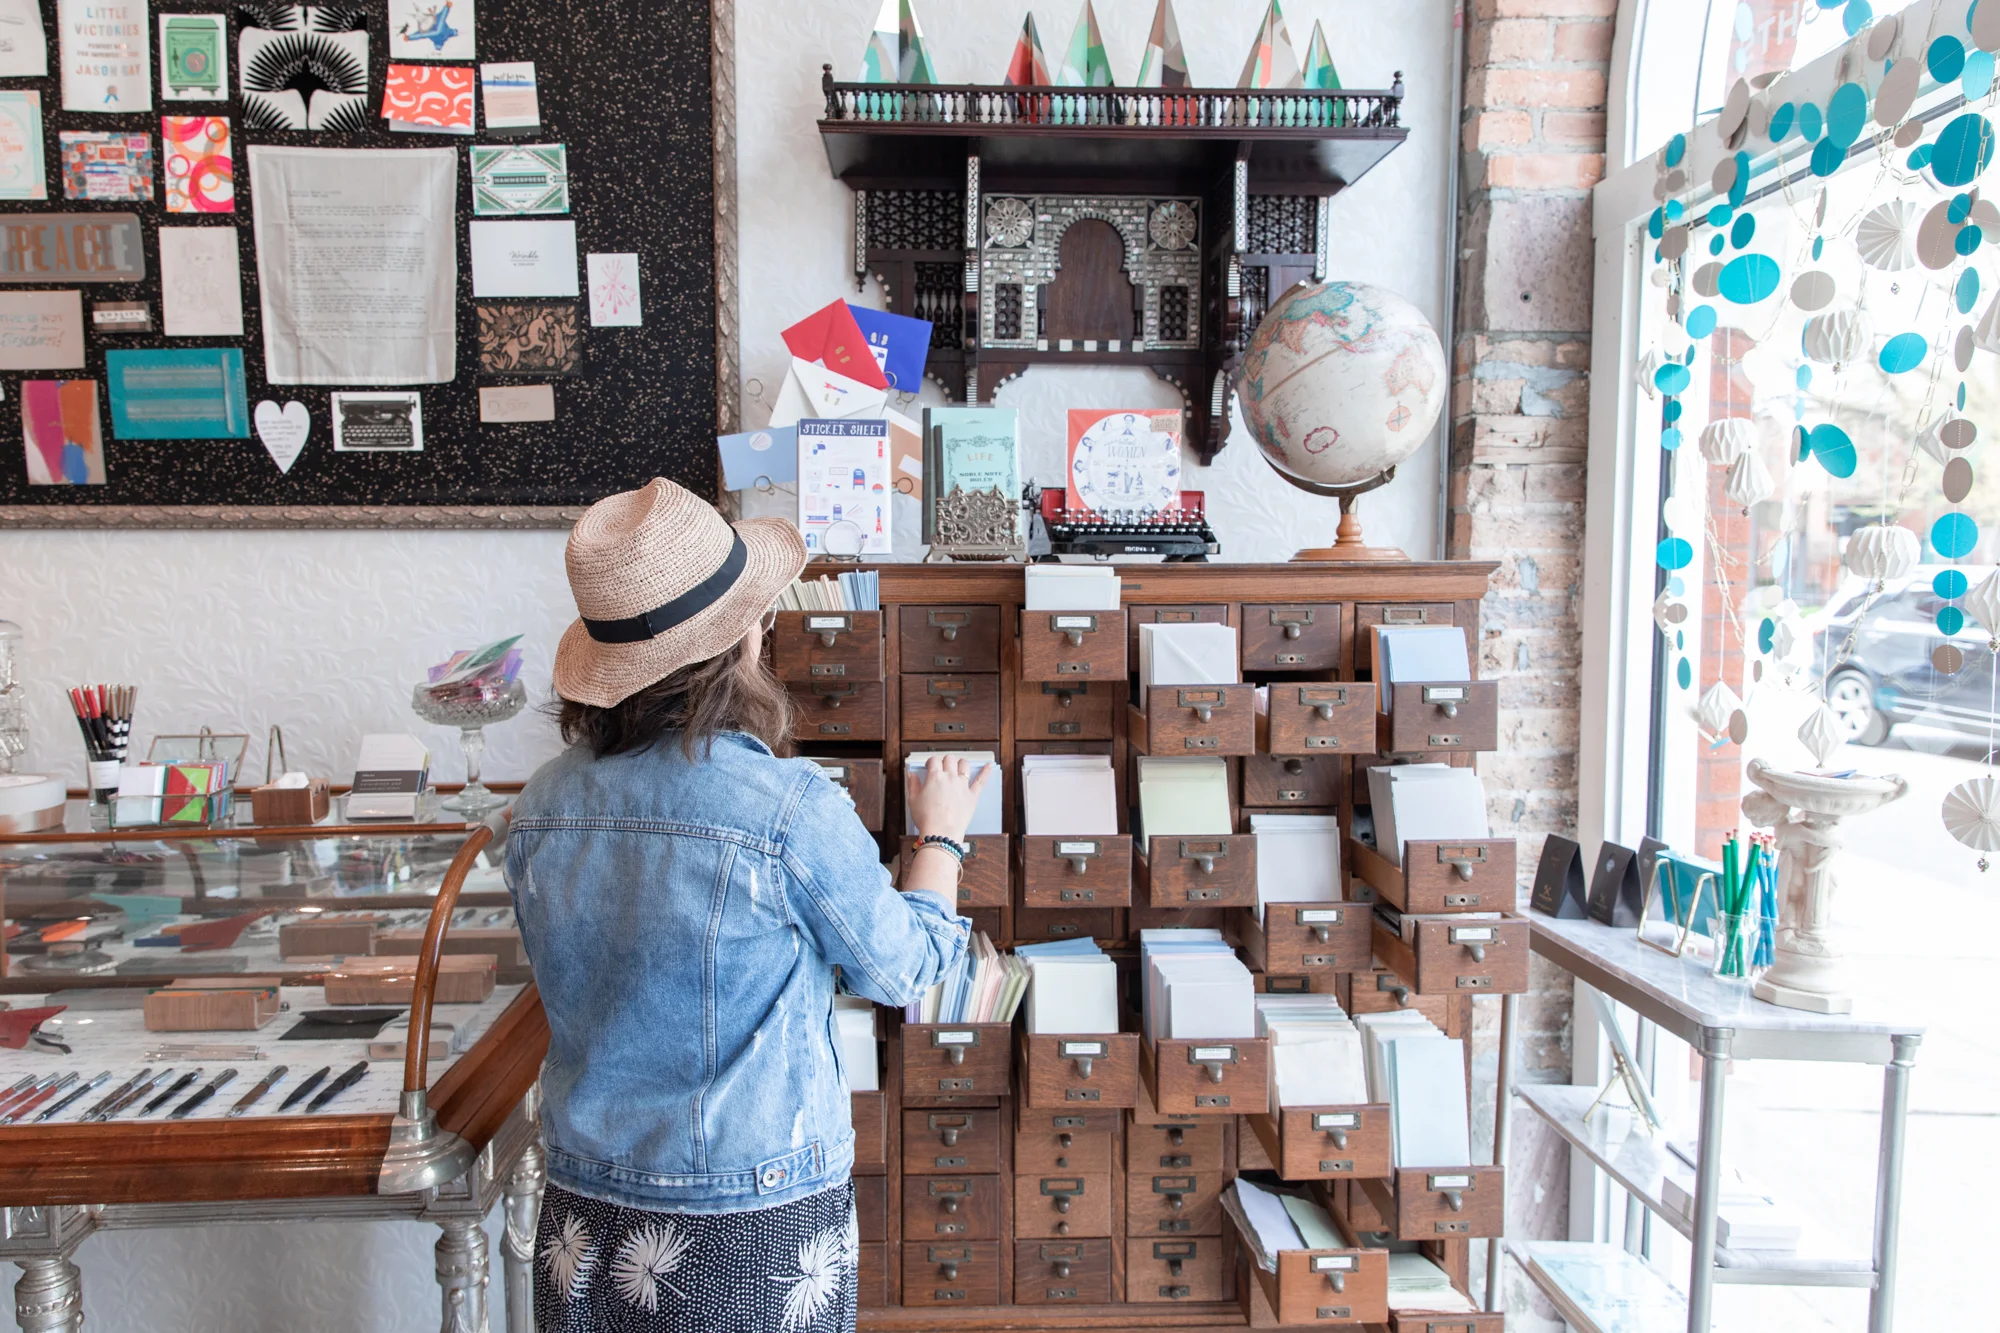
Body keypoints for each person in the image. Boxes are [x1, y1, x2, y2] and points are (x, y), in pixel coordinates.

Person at [506, 478, 990, 1333]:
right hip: (746, 1216)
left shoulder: (542, 802)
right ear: (736, 642)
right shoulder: (786, 807)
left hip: (584, 1206)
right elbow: (905, 971)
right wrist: (941, 838)